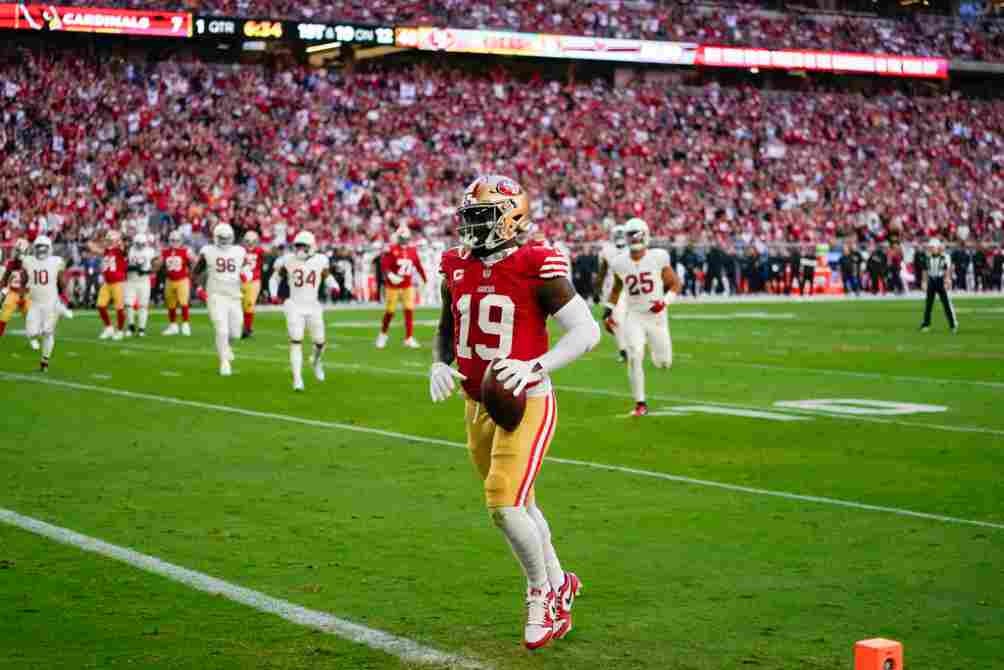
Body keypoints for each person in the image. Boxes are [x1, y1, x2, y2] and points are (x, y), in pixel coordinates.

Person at [429, 175, 599, 650]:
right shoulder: (454, 263)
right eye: (469, 216)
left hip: (527, 400)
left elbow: (586, 332)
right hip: (476, 403)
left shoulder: (535, 262)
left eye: (481, 217)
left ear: (511, 219)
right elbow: (447, 327)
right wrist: (439, 363)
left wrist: (534, 367)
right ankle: (561, 582)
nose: (471, 226)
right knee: (521, 504)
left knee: (502, 503)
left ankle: (542, 595)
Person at [603, 218, 682, 417]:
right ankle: (640, 402)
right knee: (634, 355)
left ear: (645, 235)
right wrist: (608, 310)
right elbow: (617, 288)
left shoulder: (658, 257)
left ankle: (659, 357)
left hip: (656, 317)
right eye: (631, 235)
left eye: (637, 235)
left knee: (663, 362)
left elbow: (675, 284)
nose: (635, 239)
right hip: (634, 315)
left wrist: (664, 302)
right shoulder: (620, 262)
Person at [268, 231, 339, 391]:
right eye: (297, 246)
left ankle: (316, 361)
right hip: (294, 304)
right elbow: (274, 279)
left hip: (313, 305)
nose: (299, 249)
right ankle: (297, 379)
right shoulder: (288, 260)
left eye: (303, 246)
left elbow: (327, 276)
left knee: (320, 342)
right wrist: (273, 294)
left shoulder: (320, 260)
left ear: (311, 247)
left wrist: (334, 286)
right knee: (296, 340)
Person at [194, 223, 248, 376]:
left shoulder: (239, 251)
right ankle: (224, 362)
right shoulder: (208, 251)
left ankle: (226, 348)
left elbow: (246, 268)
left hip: (234, 296)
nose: (224, 241)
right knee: (222, 330)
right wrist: (199, 288)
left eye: (227, 238)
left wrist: (246, 275)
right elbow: (196, 271)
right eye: (222, 238)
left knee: (236, 333)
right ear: (216, 237)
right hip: (216, 295)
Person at [376, 225, 427, 349]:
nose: (404, 240)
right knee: (390, 311)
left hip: (407, 285)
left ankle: (409, 338)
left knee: (409, 310)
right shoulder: (391, 249)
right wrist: (390, 275)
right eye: (402, 238)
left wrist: (424, 279)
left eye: (405, 238)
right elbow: (384, 265)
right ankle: (383, 335)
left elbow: (418, 265)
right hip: (392, 286)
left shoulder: (412, 250)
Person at [21, 236, 67, 372]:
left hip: (50, 303)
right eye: (39, 247)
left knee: (47, 333)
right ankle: (43, 354)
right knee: (31, 332)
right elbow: (24, 279)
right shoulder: (29, 261)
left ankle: (44, 362)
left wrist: (62, 297)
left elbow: (61, 283)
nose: (41, 250)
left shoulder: (55, 261)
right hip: (35, 302)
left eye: (43, 248)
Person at [592, 224, 628, 363]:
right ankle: (625, 347)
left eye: (621, 235)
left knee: (618, 320)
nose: (619, 238)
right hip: (613, 289)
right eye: (617, 235)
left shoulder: (632, 249)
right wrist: (597, 290)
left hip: (630, 289)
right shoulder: (608, 251)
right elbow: (602, 272)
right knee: (611, 322)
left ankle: (625, 350)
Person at [919, 238, 958, 333]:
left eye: (933, 247)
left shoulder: (943, 258)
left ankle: (953, 325)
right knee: (928, 304)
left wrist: (947, 280)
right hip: (932, 281)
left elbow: (946, 270)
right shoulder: (927, 258)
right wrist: (924, 282)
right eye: (930, 247)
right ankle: (926, 324)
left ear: (937, 248)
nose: (931, 249)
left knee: (946, 304)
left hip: (940, 281)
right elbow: (925, 270)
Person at [95, 230, 128, 340]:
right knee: (100, 305)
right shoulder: (107, 251)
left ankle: (120, 330)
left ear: (116, 241)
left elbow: (124, 250)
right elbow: (95, 249)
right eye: (107, 240)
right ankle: (109, 327)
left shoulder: (119, 250)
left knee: (119, 308)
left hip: (118, 283)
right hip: (107, 283)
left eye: (110, 240)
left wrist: (120, 242)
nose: (108, 242)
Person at [124, 232, 158, 337]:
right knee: (128, 303)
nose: (140, 246)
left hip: (144, 280)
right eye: (138, 243)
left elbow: (157, 265)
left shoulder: (150, 251)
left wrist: (147, 271)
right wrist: (131, 268)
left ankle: (142, 329)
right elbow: (123, 264)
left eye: (142, 244)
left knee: (143, 305)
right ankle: (131, 326)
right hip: (131, 280)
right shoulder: (129, 250)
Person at [161, 230, 195, 336]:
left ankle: (185, 325)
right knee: (171, 304)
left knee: (184, 303)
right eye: (172, 240)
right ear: (169, 240)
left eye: (176, 240)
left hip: (182, 280)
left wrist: (191, 268)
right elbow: (159, 266)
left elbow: (194, 262)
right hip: (169, 280)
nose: (174, 242)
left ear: (181, 241)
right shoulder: (164, 252)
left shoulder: (186, 251)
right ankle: (173, 326)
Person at [0, 238, 32, 343]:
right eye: (16, 250)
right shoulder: (11, 263)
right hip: (13, 293)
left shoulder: (30, 263)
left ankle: (35, 335)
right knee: (5, 314)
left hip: (26, 293)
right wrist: (2, 289)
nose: (15, 252)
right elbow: (5, 279)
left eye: (18, 250)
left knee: (30, 317)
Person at [241, 230, 266, 338]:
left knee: (249, 304)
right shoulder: (239, 251)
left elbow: (263, 264)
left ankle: (247, 329)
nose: (250, 244)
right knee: (238, 305)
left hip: (254, 281)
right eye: (248, 241)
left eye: (253, 241)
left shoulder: (260, 251)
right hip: (239, 281)